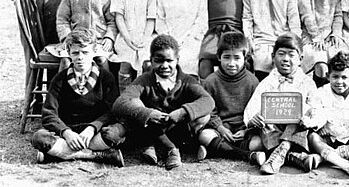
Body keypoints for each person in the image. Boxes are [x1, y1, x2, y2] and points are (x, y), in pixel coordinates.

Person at [112, 34, 215, 170]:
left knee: (204, 115)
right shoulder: (144, 80)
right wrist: (147, 113)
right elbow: (120, 103)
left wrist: (182, 112)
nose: (164, 65)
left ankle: (161, 147)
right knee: (134, 103)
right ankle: (169, 149)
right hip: (152, 127)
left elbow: (208, 101)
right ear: (151, 61)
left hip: (177, 127)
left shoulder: (187, 81)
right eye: (159, 61)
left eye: (169, 61)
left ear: (177, 60)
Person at [31, 28, 125, 167]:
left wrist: (92, 128)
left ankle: (61, 154)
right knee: (39, 138)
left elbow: (113, 110)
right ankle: (96, 155)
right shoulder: (60, 79)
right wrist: (66, 132)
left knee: (117, 133)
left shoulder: (105, 77)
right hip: (69, 130)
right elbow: (48, 112)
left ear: (94, 52)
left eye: (85, 52)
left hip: (95, 132)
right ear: (68, 53)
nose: (80, 57)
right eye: (75, 53)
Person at [243, 33, 320, 175]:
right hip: (273, 131)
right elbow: (252, 107)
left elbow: (317, 109)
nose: (285, 59)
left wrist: (310, 120)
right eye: (281, 54)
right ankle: (291, 157)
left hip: (297, 131)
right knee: (265, 122)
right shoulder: (267, 82)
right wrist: (253, 118)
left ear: (300, 59)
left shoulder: (307, 82)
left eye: (291, 55)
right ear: (273, 57)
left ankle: (283, 149)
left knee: (300, 113)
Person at [198, 32, 265, 165]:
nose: (231, 63)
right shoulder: (211, 81)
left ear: (245, 58)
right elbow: (209, 111)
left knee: (258, 143)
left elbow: (255, 110)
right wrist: (221, 128)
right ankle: (246, 155)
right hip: (221, 129)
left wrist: (246, 131)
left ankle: (215, 150)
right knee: (204, 135)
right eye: (227, 57)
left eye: (237, 58)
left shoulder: (252, 81)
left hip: (244, 130)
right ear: (219, 57)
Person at [303, 51, 349, 178]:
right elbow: (317, 112)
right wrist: (316, 123)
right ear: (328, 76)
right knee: (313, 138)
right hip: (328, 138)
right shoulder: (320, 92)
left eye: (344, 77)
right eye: (335, 77)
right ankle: (344, 164)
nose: (339, 82)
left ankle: (325, 158)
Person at [55, 0, 116, 74]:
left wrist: (109, 38)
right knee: (66, 61)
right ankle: (62, 91)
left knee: (101, 60)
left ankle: (105, 91)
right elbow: (62, 20)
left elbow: (112, 21)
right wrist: (67, 38)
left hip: (98, 42)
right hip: (74, 42)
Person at [110, 0, 156, 90]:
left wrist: (144, 37)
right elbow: (119, 16)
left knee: (147, 63)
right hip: (126, 35)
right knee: (126, 62)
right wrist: (128, 38)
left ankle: (145, 96)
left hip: (145, 35)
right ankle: (124, 99)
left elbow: (151, 18)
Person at [297, 0, 344, 85]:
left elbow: (338, 15)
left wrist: (336, 34)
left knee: (341, 59)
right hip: (311, 37)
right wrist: (316, 37)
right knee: (321, 65)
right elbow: (306, 14)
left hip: (329, 37)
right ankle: (317, 93)